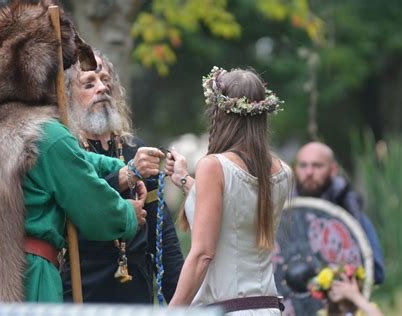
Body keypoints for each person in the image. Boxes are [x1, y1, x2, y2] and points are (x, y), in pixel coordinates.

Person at [0, 1, 148, 302]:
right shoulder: (43, 134)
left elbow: (73, 159)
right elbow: (97, 212)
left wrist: (119, 168)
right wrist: (128, 215)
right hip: (24, 282)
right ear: (43, 71)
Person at [165, 66, 293, 314]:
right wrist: (184, 179)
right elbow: (235, 207)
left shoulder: (213, 166)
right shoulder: (284, 172)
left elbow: (203, 254)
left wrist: (170, 312)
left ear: (220, 113)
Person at [62, 50, 184, 303]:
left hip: (136, 290)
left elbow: (162, 237)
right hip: (82, 289)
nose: (102, 88)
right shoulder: (66, 151)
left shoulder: (134, 148)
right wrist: (126, 176)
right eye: (89, 83)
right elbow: (75, 211)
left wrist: (180, 301)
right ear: (66, 97)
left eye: (106, 80)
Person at [294, 142, 385, 285]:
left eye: (317, 166)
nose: (309, 172)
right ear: (295, 169)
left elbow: (376, 273)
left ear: (333, 170)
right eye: (303, 165)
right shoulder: (284, 214)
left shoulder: (352, 214)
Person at [318, 274, 383, 316]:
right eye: (329, 282)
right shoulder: (323, 313)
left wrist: (355, 296)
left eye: (340, 280)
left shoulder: (363, 311)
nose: (334, 285)